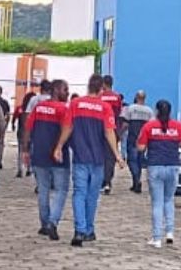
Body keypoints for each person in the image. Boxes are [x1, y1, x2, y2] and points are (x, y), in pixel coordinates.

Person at [55, 73, 125, 247]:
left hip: (80, 157)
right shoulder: (105, 108)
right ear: (101, 89)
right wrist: (117, 155)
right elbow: (109, 132)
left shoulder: (75, 104)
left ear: (88, 87)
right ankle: (88, 230)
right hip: (98, 159)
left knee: (79, 193)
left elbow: (67, 127)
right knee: (92, 196)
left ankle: (79, 230)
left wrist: (59, 146)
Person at [136, 99, 181, 248]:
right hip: (173, 166)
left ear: (156, 111)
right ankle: (170, 232)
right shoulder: (179, 127)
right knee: (169, 200)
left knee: (157, 203)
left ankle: (156, 238)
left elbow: (141, 147)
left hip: (155, 166)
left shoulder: (149, 126)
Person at [26, 79, 70, 240]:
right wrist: (60, 147)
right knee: (61, 190)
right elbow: (67, 129)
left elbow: (28, 128)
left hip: (39, 154)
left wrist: (25, 149)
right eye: (65, 90)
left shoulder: (38, 107)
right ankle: (53, 222)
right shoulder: (64, 109)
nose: (67, 93)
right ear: (57, 90)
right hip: (58, 156)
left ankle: (44, 224)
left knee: (43, 190)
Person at [120, 91, 154, 194]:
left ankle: (136, 180)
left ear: (136, 97)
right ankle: (136, 182)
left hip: (132, 138)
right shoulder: (149, 111)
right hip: (143, 140)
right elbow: (151, 126)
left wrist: (120, 133)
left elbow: (125, 124)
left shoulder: (130, 108)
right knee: (139, 161)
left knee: (132, 161)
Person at [16, 80, 51, 177]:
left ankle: (35, 174)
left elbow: (27, 116)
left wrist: (26, 130)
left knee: (34, 153)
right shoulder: (53, 99)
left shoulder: (34, 99)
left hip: (36, 131)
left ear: (41, 88)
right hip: (50, 132)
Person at [99, 75, 125, 194]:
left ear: (104, 84)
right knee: (110, 156)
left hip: (101, 129)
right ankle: (108, 181)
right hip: (113, 128)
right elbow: (119, 113)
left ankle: (102, 180)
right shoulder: (117, 97)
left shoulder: (100, 97)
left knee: (100, 155)